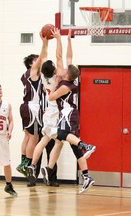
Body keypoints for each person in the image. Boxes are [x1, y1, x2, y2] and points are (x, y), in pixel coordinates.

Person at [40, 28, 96, 194]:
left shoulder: (64, 85)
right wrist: (68, 40)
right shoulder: (72, 78)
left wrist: (51, 87)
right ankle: (85, 176)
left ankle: (85, 145)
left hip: (67, 114)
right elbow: (69, 58)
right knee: (63, 142)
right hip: (69, 113)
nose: (62, 69)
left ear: (66, 75)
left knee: (63, 136)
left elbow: (51, 98)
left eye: (64, 70)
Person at [17, 32, 58, 186]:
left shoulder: (27, 75)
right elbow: (43, 55)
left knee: (27, 137)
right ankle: (28, 166)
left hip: (27, 107)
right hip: (33, 108)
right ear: (31, 64)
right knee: (34, 138)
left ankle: (23, 163)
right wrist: (45, 42)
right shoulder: (32, 72)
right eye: (36, 61)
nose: (39, 62)